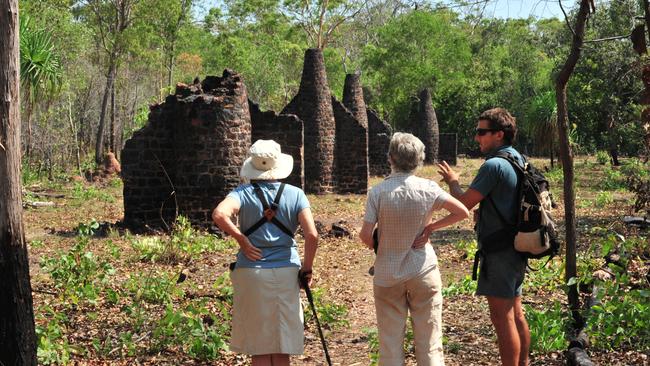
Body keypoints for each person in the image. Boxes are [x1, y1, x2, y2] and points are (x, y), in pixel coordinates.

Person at [359, 132, 470, 366]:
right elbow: (462, 211)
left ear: (390, 158)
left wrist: (381, 247)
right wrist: (431, 228)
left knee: (389, 343)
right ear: (420, 160)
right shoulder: (428, 188)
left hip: (387, 274)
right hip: (423, 269)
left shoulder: (377, 193)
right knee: (430, 341)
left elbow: (365, 235)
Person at [437, 108, 530, 366]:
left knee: (503, 319)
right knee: (516, 313)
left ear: (499, 134)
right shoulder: (517, 159)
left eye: (481, 132)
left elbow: (463, 204)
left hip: (499, 251)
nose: (477, 138)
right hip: (517, 246)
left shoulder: (493, 165)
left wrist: (453, 182)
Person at [212, 139, 318, 366]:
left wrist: (242, 240)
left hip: (252, 271)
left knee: (259, 345)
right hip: (286, 271)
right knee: (281, 344)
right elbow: (312, 235)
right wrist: (306, 268)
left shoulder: (242, 192)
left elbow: (219, 214)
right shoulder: (296, 194)